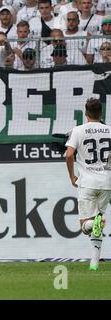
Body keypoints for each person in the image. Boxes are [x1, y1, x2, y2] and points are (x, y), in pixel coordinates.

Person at [65, 98, 109, 271]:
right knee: (97, 223)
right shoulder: (109, 130)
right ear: (101, 113)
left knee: (85, 226)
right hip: (106, 182)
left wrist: (72, 176)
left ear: (86, 113)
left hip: (88, 182)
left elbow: (69, 155)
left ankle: (94, 223)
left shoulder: (78, 130)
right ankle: (94, 264)